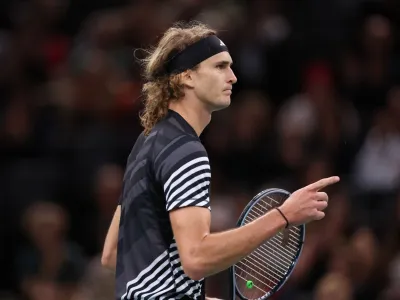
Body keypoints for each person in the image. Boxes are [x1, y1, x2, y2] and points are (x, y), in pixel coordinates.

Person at [101, 21, 340, 300]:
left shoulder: (147, 142)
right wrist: (283, 216)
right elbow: (196, 258)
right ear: (186, 77)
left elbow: (113, 254)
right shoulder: (186, 152)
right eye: (219, 66)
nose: (233, 77)